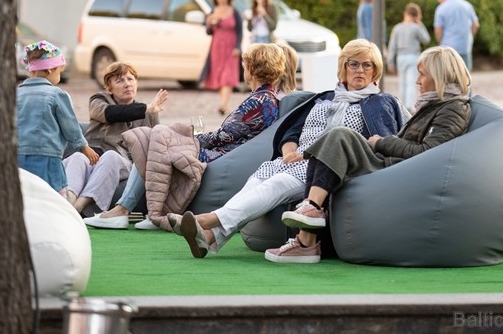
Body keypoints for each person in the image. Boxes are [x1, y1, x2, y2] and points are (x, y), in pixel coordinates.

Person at [167, 39, 407, 259]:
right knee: (257, 180)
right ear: (343, 67)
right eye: (353, 64)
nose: (360, 70)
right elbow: (292, 131)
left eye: (367, 65)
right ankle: (210, 237)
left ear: (375, 71)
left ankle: (209, 219)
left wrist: (306, 155)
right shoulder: (324, 98)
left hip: (326, 167)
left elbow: (380, 142)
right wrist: (288, 152)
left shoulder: (379, 102)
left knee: (276, 183)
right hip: (293, 161)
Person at [266, 46, 472, 264]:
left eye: (422, 74)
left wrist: (381, 142)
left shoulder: (453, 109)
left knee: (338, 136)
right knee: (333, 138)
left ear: (439, 76)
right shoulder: (434, 104)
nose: (417, 80)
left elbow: (426, 153)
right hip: (393, 161)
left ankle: (309, 228)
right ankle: (310, 222)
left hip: (398, 169)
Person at [83, 43, 286, 230]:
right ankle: (148, 211)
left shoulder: (258, 101)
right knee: (155, 140)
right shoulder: (264, 98)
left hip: (221, 155)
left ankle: (126, 210)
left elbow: (223, 136)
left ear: (250, 68)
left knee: (156, 142)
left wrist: (189, 137)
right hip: (225, 152)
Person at [63, 62, 168, 216]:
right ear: (109, 87)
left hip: (124, 163)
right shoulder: (98, 100)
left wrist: (148, 111)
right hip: (93, 156)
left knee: (111, 157)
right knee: (78, 157)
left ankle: (78, 208)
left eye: (130, 79)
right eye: (120, 81)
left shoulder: (150, 112)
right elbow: (111, 114)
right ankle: (66, 203)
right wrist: (146, 109)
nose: (127, 85)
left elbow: (155, 145)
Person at [17, 40, 99, 196]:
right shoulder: (56, 95)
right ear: (49, 70)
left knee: (26, 194)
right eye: (59, 72)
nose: (59, 76)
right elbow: (70, 126)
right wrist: (84, 147)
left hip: (18, 156)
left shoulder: (16, 93)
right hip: (46, 157)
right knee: (56, 195)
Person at [199, 0, 242, 115]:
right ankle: (225, 103)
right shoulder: (212, 12)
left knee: (228, 76)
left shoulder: (234, 12)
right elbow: (209, 31)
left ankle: (223, 105)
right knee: (218, 75)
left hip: (231, 47)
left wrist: (237, 47)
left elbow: (240, 31)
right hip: (217, 47)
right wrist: (209, 22)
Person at [387, 3, 431, 111]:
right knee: (411, 82)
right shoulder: (416, 28)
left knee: (402, 82)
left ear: (405, 13)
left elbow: (392, 46)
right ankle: (409, 106)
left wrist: (390, 62)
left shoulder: (397, 28)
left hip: (400, 57)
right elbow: (426, 39)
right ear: (416, 16)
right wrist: (420, 24)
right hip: (413, 57)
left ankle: (401, 106)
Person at [433, 0, 479, 71]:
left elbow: (438, 29)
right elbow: (475, 25)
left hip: (448, 48)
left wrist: (439, 42)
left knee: (449, 75)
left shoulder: (441, 8)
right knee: (465, 75)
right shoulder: (467, 5)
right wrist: (470, 37)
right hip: (465, 45)